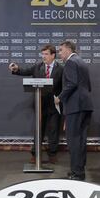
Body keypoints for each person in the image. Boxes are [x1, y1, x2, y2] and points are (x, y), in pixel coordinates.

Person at [9, 45, 63, 164]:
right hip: (40, 103)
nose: (43, 56)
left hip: (55, 104)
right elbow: (25, 71)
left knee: (53, 130)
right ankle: (35, 154)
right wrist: (16, 69)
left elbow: (65, 85)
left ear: (53, 55)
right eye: (42, 54)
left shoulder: (61, 68)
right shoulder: (38, 66)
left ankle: (53, 154)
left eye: (46, 54)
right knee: (39, 130)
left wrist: (61, 97)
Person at [55, 41, 93, 180]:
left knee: (74, 141)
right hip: (85, 105)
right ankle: (79, 171)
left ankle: (77, 173)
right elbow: (87, 85)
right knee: (81, 140)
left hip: (75, 107)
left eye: (61, 50)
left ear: (68, 49)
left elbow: (72, 83)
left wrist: (60, 97)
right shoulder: (81, 61)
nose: (59, 53)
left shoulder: (71, 62)